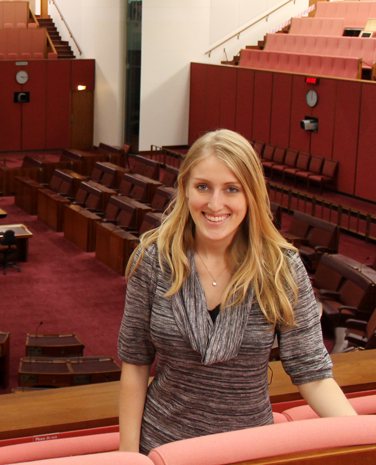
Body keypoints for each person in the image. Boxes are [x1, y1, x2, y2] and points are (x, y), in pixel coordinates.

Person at [117, 129, 356, 454]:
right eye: (203, 187)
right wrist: (128, 456)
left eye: (232, 189)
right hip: (164, 447)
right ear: (185, 188)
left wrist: (361, 437)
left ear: (251, 195)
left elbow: (312, 373)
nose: (215, 204)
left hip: (249, 449)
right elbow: (135, 363)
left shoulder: (280, 267)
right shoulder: (154, 260)